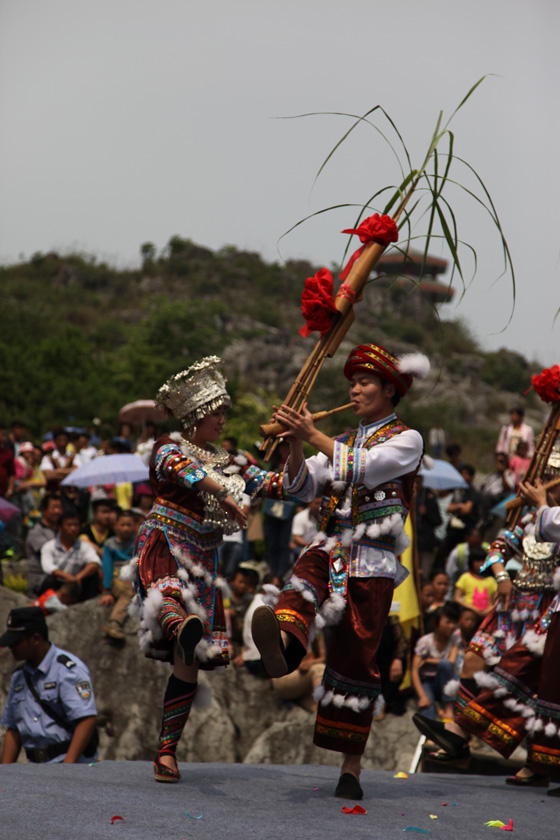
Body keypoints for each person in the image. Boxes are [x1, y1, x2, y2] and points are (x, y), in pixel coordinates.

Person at [250, 342, 428, 800]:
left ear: (390, 389)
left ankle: (351, 767)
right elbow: (300, 484)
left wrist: (308, 433)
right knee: (303, 580)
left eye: (365, 382)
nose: (355, 389)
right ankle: (286, 650)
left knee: (355, 659)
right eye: (352, 382)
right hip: (330, 545)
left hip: (372, 560)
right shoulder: (341, 440)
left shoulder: (407, 440)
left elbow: (366, 470)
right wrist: (292, 441)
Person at [121, 356, 247, 783]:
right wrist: (224, 492)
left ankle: (166, 753)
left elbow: (274, 482)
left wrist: (299, 443)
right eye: (217, 412)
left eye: (226, 412)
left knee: (186, 663)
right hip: (165, 543)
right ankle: (179, 626)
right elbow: (183, 471)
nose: (224, 420)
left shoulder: (230, 460)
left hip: (204, 561)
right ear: (194, 417)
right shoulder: (167, 446)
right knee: (169, 597)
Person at [0, 607, 98, 764]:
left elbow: (86, 719)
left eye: (16, 642)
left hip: (68, 763)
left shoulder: (67, 670)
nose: (10, 647)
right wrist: (3, 775)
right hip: (35, 767)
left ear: (36, 638)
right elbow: (13, 729)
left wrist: (68, 766)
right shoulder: (18, 676)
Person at [411, 601, 460, 721]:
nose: (451, 626)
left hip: (445, 681)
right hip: (426, 681)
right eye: (448, 622)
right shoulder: (425, 642)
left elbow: (451, 662)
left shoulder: (455, 639)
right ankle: (429, 735)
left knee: (445, 664)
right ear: (436, 623)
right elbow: (414, 670)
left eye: (454, 622)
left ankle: (448, 708)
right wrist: (422, 696)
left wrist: (428, 661)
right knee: (427, 705)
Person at [40, 510, 102, 601]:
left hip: (77, 583)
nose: (73, 528)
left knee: (93, 576)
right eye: (69, 525)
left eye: (76, 525)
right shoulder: (49, 546)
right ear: (60, 527)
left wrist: (78, 578)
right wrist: (66, 576)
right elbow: (48, 567)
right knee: (48, 580)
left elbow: (95, 562)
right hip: (58, 583)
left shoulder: (84, 547)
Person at [99, 508, 136, 640]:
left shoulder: (137, 541)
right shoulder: (109, 544)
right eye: (123, 525)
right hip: (118, 579)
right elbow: (107, 567)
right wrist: (107, 590)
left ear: (134, 526)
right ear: (116, 526)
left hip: (135, 577)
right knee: (127, 593)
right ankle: (114, 623)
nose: (126, 528)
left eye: (129, 525)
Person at [25, 494, 63, 596]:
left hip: (60, 575)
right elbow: (52, 554)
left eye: (59, 508)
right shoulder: (36, 531)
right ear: (44, 509)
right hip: (41, 579)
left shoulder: (61, 530)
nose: (57, 511)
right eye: (54, 507)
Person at [454, 547, 497, 619]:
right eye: (477, 560)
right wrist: (473, 609)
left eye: (482, 561)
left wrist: (488, 610)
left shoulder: (491, 580)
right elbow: (457, 598)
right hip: (468, 616)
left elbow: (496, 601)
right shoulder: (465, 577)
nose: (480, 563)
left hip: (485, 617)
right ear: (471, 562)